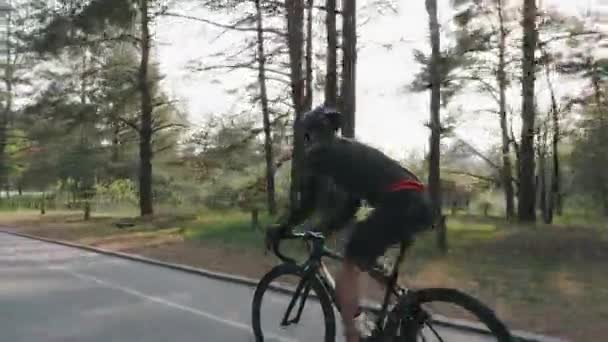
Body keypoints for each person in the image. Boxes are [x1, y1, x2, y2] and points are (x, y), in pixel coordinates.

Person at [265, 105, 433, 342]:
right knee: (366, 257)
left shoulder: (320, 153)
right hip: (420, 201)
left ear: (309, 134)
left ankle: (354, 334)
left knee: (348, 266)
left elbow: (307, 203)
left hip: (399, 200)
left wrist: (281, 228)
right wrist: (322, 229)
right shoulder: (349, 151)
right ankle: (409, 308)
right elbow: (351, 206)